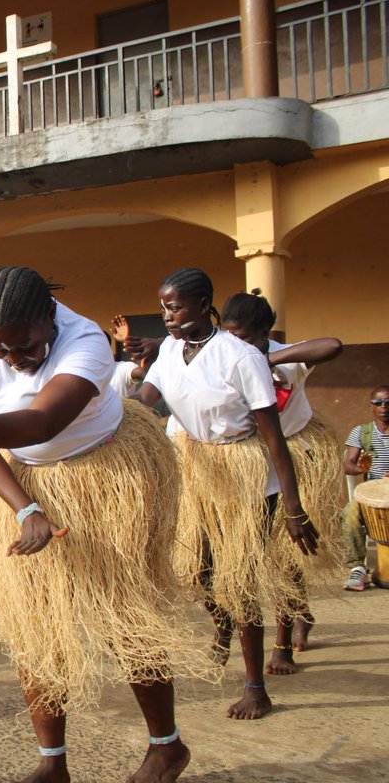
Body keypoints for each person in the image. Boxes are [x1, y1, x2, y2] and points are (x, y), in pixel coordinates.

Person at [0, 266, 205, 783]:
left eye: (24, 348)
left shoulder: (87, 343)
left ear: (49, 319)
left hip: (103, 474)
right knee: (35, 628)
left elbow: (41, 422)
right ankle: (52, 763)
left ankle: (166, 747)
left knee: (128, 620)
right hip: (24, 480)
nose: (10, 359)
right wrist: (24, 508)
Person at [136, 268, 318, 721]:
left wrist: (294, 508)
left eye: (174, 307)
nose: (167, 316)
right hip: (195, 468)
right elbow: (144, 399)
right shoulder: (171, 354)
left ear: (202, 304)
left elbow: (273, 437)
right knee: (198, 570)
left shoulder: (239, 357)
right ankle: (222, 628)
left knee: (239, 582)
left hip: (246, 477)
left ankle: (256, 687)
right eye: (163, 307)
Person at [220, 289, 344, 665]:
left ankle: (283, 642)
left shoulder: (284, 360)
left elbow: (332, 345)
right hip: (251, 463)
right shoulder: (222, 359)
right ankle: (298, 613)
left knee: (288, 553)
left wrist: (270, 357)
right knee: (252, 555)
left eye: (243, 338)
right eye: (229, 336)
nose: (234, 344)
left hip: (295, 455)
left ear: (264, 333)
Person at [342, 385, 389, 589]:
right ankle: (357, 569)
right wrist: (360, 468)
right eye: (378, 403)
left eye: (388, 402)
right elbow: (348, 466)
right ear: (371, 407)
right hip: (372, 498)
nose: (384, 407)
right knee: (349, 512)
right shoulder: (361, 432)